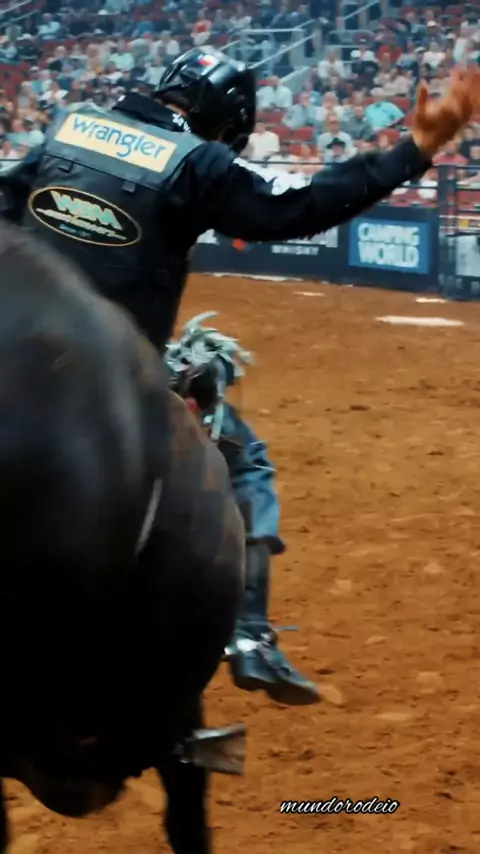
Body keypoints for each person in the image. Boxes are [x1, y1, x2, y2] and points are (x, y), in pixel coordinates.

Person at [0, 47, 478, 707]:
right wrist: (415, 150)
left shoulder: (71, 126)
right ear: (223, 122)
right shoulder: (199, 161)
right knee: (244, 459)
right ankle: (249, 633)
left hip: (17, 351)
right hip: (112, 372)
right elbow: (299, 205)